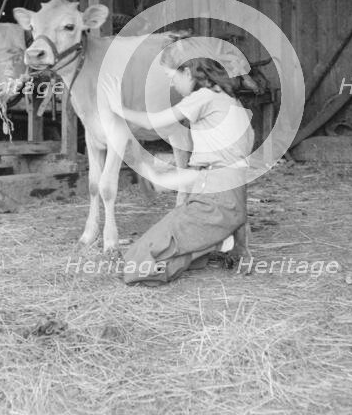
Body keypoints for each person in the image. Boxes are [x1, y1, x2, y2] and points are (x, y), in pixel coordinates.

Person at [102, 37, 254, 285]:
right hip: (230, 203)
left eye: (172, 75)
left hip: (213, 203)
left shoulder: (203, 97)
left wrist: (118, 108)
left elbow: (152, 122)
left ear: (188, 71)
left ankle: (160, 262)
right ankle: (213, 247)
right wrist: (241, 243)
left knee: (135, 261)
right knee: (174, 246)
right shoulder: (231, 102)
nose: (171, 83)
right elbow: (227, 173)